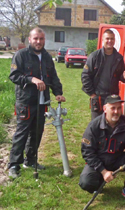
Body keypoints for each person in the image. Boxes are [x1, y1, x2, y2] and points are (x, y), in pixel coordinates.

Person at [8, 27, 66, 179]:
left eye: (41, 39)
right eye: (36, 39)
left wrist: (58, 93)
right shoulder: (21, 55)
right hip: (26, 101)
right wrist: (31, 79)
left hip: (42, 102)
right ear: (30, 39)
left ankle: (30, 160)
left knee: (37, 132)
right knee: (22, 133)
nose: (38, 42)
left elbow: (53, 77)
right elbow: (14, 76)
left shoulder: (46, 57)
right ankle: (14, 164)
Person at [79, 94, 125, 204]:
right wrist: (103, 171)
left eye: (119, 108)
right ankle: (99, 182)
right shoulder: (94, 126)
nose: (116, 111)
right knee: (85, 183)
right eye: (113, 108)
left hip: (118, 158)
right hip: (99, 161)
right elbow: (87, 152)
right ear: (105, 109)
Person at [81, 29, 125, 120]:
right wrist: (92, 94)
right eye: (107, 38)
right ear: (102, 40)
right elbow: (85, 76)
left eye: (112, 39)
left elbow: (120, 76)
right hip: (98, 97)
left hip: (112, 97)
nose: (109, 41)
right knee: (97, 125)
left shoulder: (118, 58)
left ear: (114, 41)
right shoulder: (94, 56)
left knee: (112, 123)